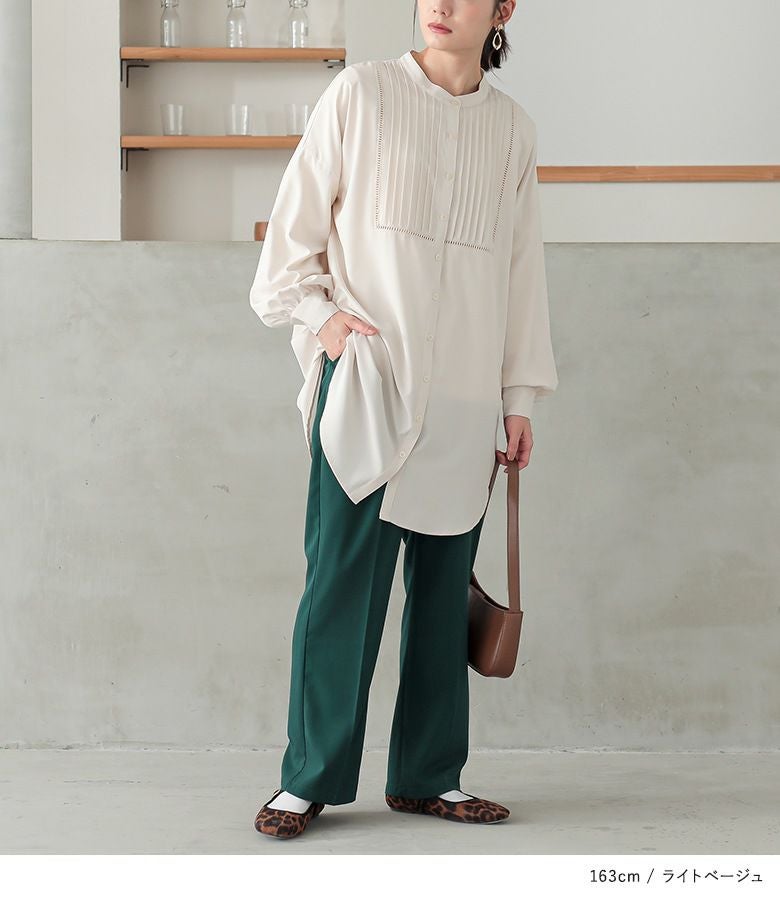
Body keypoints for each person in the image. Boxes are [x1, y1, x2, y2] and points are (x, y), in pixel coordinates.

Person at [249, 0, 558, 840]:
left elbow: (521, 271)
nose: (439, 6)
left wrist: (518, 398)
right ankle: (307, 779)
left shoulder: (512, 130)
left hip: (466, 401)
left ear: (503, 8)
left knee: (442, 598)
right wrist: (323, 323)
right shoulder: (362, 93)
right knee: (340, 589)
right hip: (368, 386)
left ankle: (429, 776)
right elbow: (291, 239)